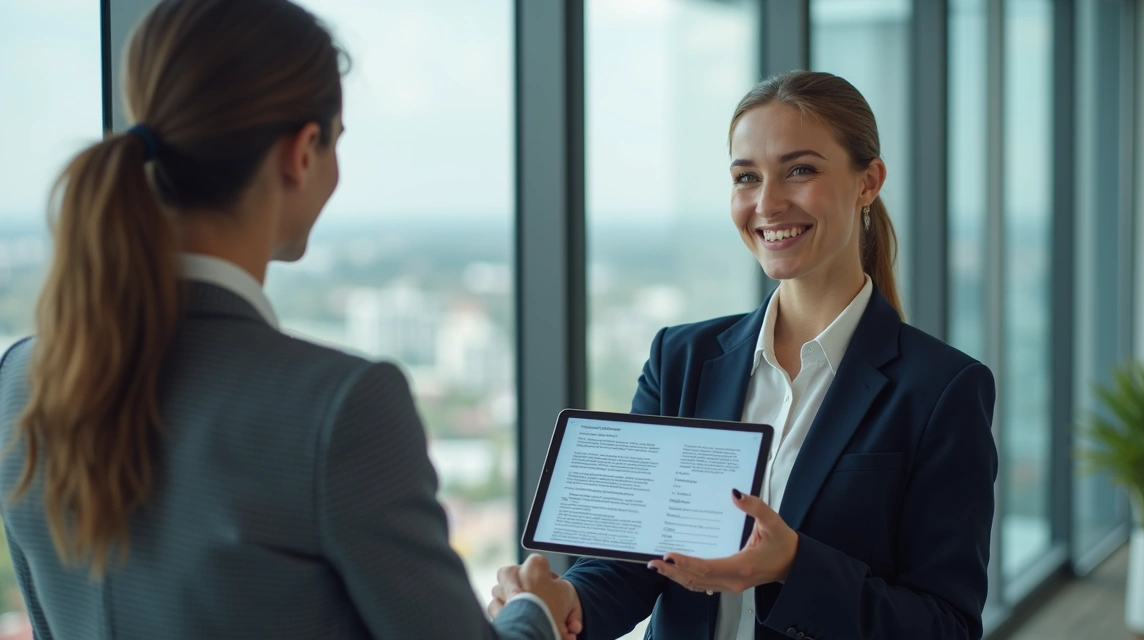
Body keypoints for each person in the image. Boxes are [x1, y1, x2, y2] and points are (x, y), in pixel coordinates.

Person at [0, 1, 579, 638]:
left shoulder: (24, 380)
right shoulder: (340, 409)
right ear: (302, 153)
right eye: (336, 142)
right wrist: (537, 611)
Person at [491, 70, 998, 640]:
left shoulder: (942, 389)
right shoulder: (680, 359)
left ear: (868, 182)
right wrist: (567, 598)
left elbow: (947, 626)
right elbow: (634, 563)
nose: (767, 203)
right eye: (746, 177)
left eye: (800, 171)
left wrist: (793, 566)